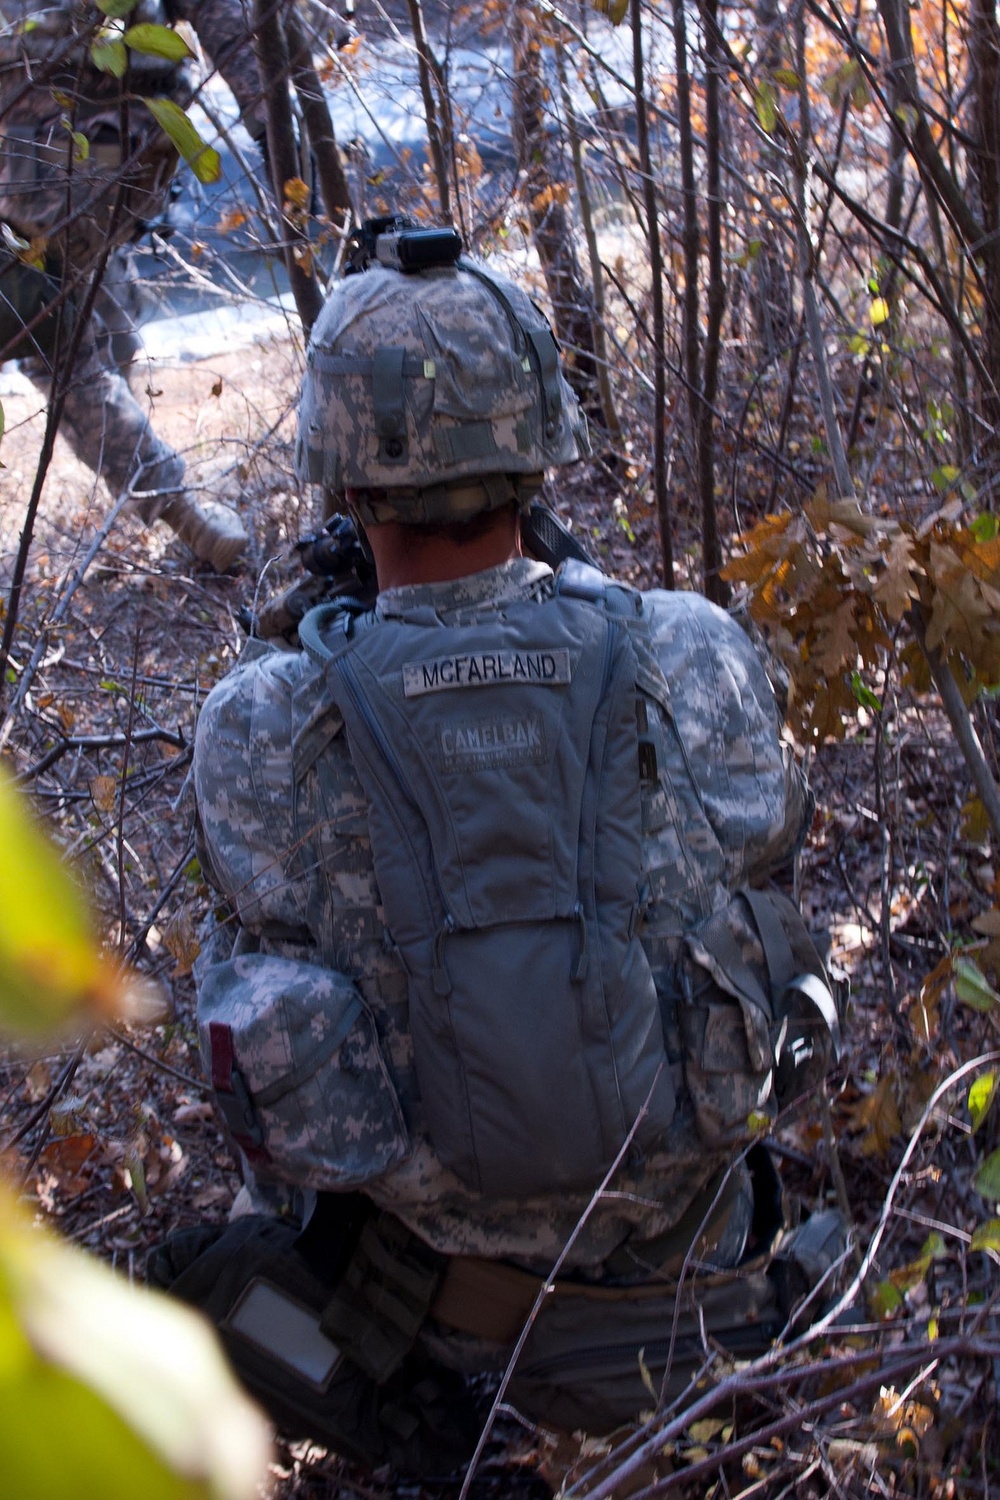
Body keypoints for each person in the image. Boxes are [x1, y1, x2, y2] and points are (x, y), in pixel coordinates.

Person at [154, 235, 843, 1472]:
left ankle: (424, 1441)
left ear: (342, 483)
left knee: (195, 1280)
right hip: (700, 1289)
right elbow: (768, 840)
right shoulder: (688, 648)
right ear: (538, 449)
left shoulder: (260, 719)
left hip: (430, 1332)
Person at [0, 0, 268, 570]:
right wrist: (267, 111)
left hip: (40, 154)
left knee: (56, 340)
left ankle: (177, 507)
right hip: (134, 142)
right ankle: (146, 484)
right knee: (92, 316)